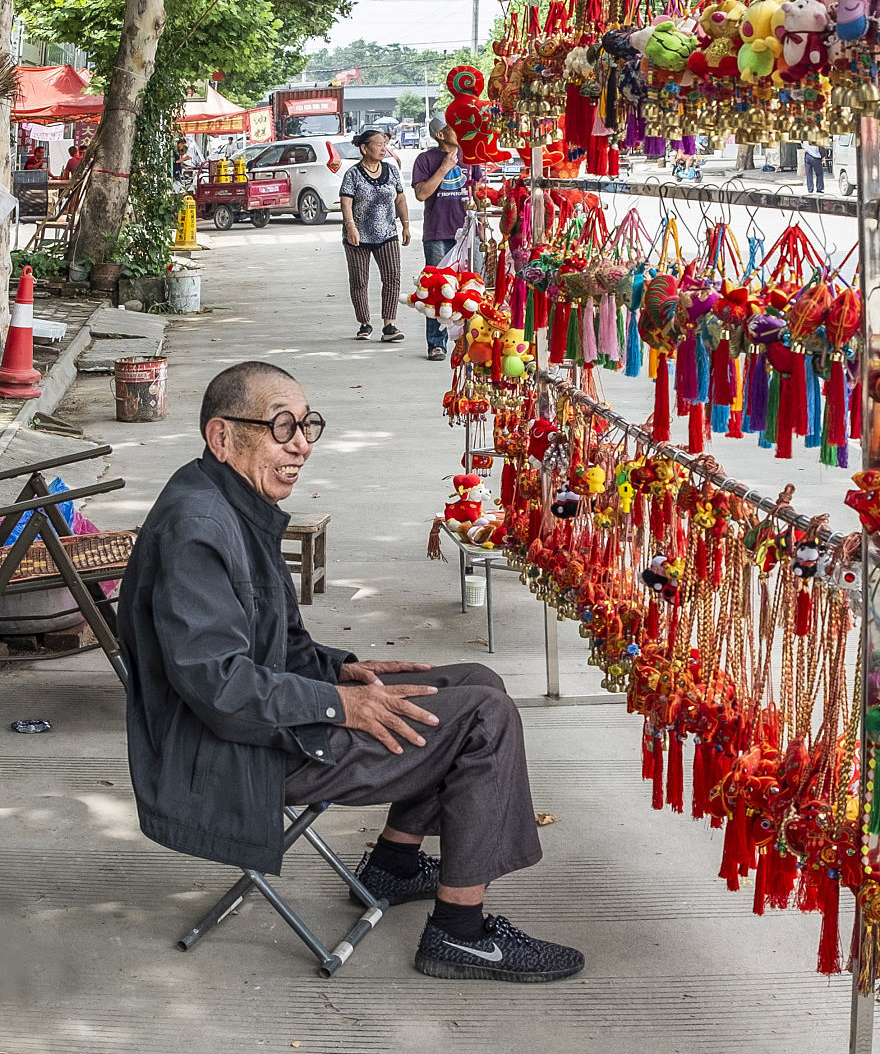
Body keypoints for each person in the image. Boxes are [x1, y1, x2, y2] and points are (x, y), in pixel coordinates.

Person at [117, 361, 584, 983]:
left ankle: (393, 862)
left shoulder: (232, 501)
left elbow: (274, 644)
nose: (302, 445)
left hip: (259, 722)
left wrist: (346, 671)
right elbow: (219, 686)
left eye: (307, 426)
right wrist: (342, 704)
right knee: (485, 719)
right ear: (222, 436)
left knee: (477, 681)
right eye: (282, 428)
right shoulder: (200, 527)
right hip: (227, 750)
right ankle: (459, 934)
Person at [412, 112, 480, 363]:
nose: (461, 131)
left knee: (472, 288)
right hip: (438, 233)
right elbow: (421, 194)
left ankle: (473, 339)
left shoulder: (472, 157)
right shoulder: (425, 159)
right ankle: (436, 344)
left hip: (469, 233)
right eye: (454, 127)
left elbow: (479, 191)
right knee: (438, 291)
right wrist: (444, 168)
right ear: (441, 135)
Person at [340, 130, 412, 342]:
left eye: (385, 144)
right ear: (364, 148)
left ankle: (389, 325)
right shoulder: (352, 174)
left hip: (387, 233)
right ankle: (365, 323)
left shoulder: (390, 170)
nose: (383, 149)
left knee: (392, 276)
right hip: (357, 236)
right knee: (359, 280)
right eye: (379, 144)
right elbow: (346, 202)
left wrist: (405, 225)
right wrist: (351, 226)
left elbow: (400, 199)